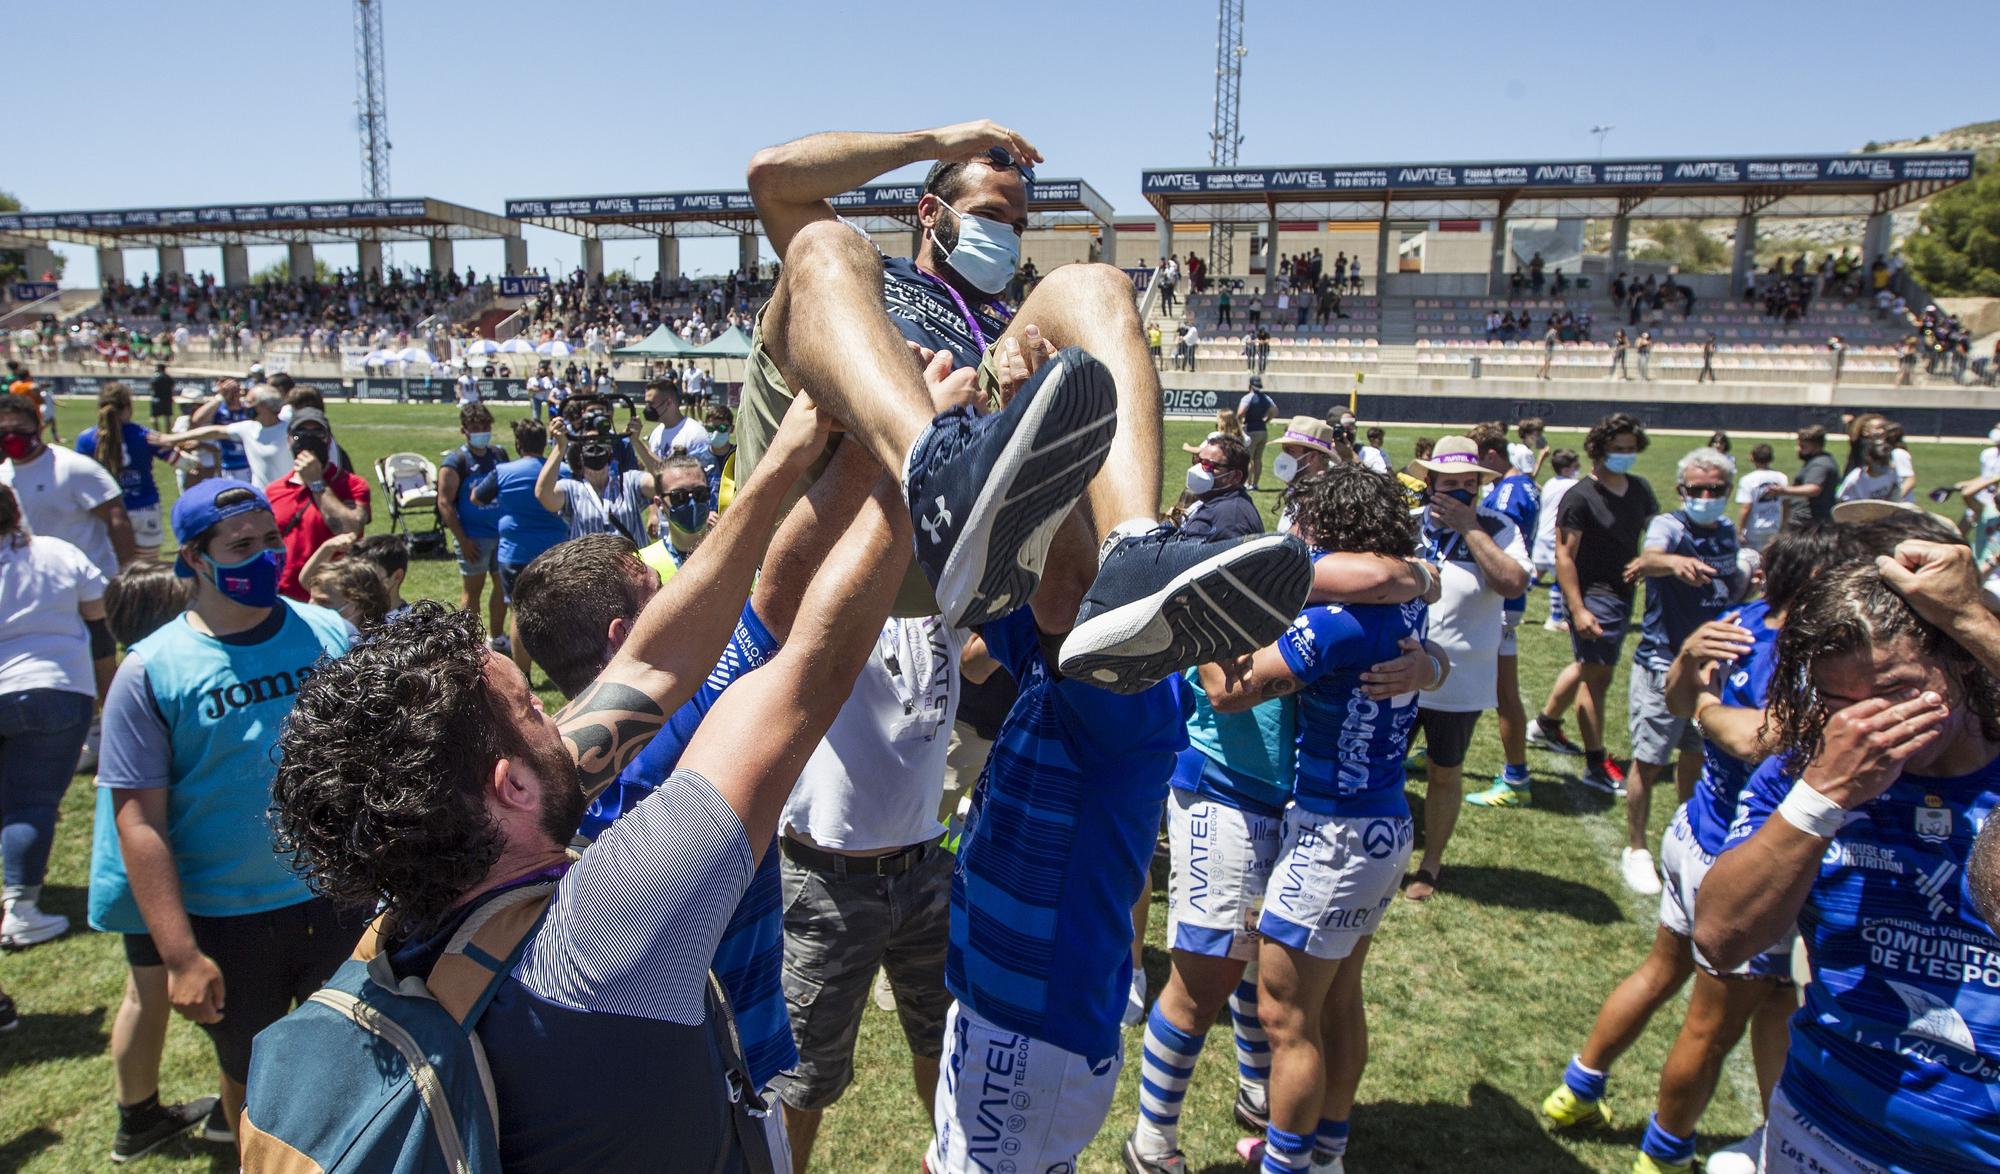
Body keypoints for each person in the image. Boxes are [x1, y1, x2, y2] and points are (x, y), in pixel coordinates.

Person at [255, 394, 932, 1172]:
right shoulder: (598, 938)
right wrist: (910, 467)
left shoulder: (402, 903)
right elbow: (808, 674)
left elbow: (649, 664)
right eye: (531, 711)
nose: (562, 719)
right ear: (510, 788)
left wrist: (782, 463)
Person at [739, 119, 1309, 690]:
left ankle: (1131, 558)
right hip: (815, 496)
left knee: (1095, 284)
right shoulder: (873, 275)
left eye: (1018, 227)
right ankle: (933, 465)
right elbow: (771, 177)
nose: (1008, 237)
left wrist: (1025, 413)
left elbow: (1061, 580)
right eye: (990, 216)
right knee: (824, 242)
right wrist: (934, 145)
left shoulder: (1015, 332)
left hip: (940, 551)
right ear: (931, 212)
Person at [1695, 537, 2000, 1174]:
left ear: (1961, 663)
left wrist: (1973, 618)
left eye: (1898, 691)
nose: (1869, 725)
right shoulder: (1811, 767)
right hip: (1828, 1124)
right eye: (1844, 703)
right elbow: (1722, 938)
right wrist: (1822, 797)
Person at [90, 479, 360, 1138]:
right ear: (195, 559)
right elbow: (139, 822)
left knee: (355, 1058)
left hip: (338, 899)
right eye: (242, 546)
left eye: (271, 541)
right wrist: (180, 956)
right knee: (253, 1076)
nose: (265, 558)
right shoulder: (153, 672)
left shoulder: (331, 634)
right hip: (232, 921)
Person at [1199, 464, 1448, 1174]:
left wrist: (1202, 620)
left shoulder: (1333, 623)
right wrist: (1433, 665)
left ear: (1329, 531)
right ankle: (1327, 1151)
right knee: (1339, 1000)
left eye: (1303, 524)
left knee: (1286, 1018)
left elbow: (1231, 692)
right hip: (1383, 826)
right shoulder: (1403, 605)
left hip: (1332, 835)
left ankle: (1286, 1163)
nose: (1293, 534)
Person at [95, 561, 225, 1161]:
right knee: (206, 990)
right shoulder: (158, 677)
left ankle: (137, 1117)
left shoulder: (129, 675)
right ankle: (232, 1110)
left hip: (121, 878)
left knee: (142, 994)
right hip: (157, 880)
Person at [1618, 447, 1748, 895]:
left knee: (1698, 753)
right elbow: (1648, 558)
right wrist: (1674, 563)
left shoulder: (1729, 530)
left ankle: (1691, 830)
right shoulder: (1670, 526)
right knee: (1649, 760)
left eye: (1716, 489)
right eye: (1697, 489)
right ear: (1681, 490)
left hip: (1714, 668)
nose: (1706, 496)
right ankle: (1636, 847)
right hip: (1663, 662)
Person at [1403, 437, 1528, 898]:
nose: (1458, 493)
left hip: (1461, 680)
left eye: (1468, 486)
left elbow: (1513, 582)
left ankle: (1430, 863)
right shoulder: (1409, 525)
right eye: (1449, 484)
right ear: (1430, 482)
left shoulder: (1499, 527)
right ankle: (1385, 849)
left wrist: (1471, 528)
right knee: (1383, 766)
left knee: (1444, 770)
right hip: (1399, 669)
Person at [0, 483, 112, 948]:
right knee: (31, 803)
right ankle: (21, 908)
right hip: (59, 688)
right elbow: (100, 627)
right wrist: (111, 695)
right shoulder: (59, 553)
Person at [1530, 414, 1658, 794]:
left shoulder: (1640, 489)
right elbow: (1565, 557)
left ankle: (1547, 724)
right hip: (1591, 596)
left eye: (1630, 449)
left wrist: (1654, 557)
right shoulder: (1580, 496)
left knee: (1588, 666)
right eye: (1617, 450)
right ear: (1599, 450)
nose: (1625, 456)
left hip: (1622, 595)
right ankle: (1595, 762)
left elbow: (1658, 531)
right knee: (1597, 677)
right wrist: (1578, 608)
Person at [1463, 423, 1540, 811]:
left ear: (1490, 455)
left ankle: (1516, 775)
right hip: (1501, 606)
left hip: (1500, 607)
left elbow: (1493, 548)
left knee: (1503, 691)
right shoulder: (1524, 484)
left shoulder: (1507, 495)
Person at [472, 417, 569, 679]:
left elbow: (477, 497)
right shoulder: (562, 469)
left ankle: (524, 676)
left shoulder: (503, 471)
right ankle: (564, 672)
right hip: (555, 551)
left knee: (518, 613)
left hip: (514, 552)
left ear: (518, 444)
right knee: (559, 612)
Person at [0, 394, 136, 580]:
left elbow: (117, 519)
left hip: (88, 585)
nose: (11, 436)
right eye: (3, 430)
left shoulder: (73, 467)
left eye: (19, 428)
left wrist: (127, 577)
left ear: (39, 428)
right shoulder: (3, 474)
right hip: (33, 584)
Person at [265, 408, 370, 601]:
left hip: (334, 598)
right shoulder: (274, 490)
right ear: (289, 440)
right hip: (284, 596)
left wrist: (317, 483)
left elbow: (350, 531)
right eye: (301, 435)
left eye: (317, 434)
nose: (309, 441)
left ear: (328, 440)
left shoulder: (352, 485)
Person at [74, 382, 176, 562]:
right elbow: (183, 462)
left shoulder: (86, 439)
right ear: (128, 407)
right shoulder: (145, 435)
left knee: (114, 571)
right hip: (145, 509)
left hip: (106, 512)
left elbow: (77, 478)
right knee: (147, 573)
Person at [436, 402, 511, 643]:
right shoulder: (455, 462)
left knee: (502, 588)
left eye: (486, 425)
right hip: (473, 538)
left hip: (500, 535)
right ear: (464, 430)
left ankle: (498, 636)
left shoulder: (499, 455)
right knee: (473, 590)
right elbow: (445, 503)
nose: (482, 430)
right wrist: (463, 540)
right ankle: (470, 641)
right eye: (475, 426)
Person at [537, 414, 654, 545]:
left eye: (600, 443)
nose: (595, 448)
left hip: (632, 564)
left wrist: (636, 442)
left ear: (610, 451)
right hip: (590, 565)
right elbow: (544, 494)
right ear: (579, 453)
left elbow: (663, 482)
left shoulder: (629, 481)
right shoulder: (571, 489)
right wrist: (560, 448)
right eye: (588, 444)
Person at [154, 384, 293, 489]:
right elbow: (214, 431)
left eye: (249, 402)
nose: (245, 405)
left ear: (262, 406)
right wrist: (170, 439)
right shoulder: (248, 428)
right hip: (262, 499)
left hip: (287, 496)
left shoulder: (291, 430)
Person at [1528, 449, 1582, 634]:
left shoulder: (1551, 483)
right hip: (1555, 537)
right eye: (1576, 466)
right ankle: (1555, 619)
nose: (1579, 469)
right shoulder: (1573, 485)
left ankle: (1508, 602)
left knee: (1536, 575)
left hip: (1542, 536)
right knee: (1561, 579)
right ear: (1566, 469)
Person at [636, 454, 713, 576]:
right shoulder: (643, 565)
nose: (692, 503)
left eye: (700, 493)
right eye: (678, 497)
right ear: (659, 503)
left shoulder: (736, 551)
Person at [1182, 433, 1264, 540]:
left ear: (1235, 476)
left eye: (1208, 465)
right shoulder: (1224, 503)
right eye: (1198, 461)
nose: (1198, 469)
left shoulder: (1231, 520)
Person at [1763, 425, 1839, 528]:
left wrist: (1783, 490)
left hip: (1810, 524)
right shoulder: (1818, 461)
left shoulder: (1820, 464)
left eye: (1803, 446)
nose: (1798, 449)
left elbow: (1814, 489)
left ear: (1816, 446)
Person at [304, 557, 391, 628]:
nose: (311, 606)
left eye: (323, 601)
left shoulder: (378, 647)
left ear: (357, 607)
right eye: (311, 598)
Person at [1735, 444, 1789, 552]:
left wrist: (1739, 531)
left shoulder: (1747, 480)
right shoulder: (1781, 477)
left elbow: (1746, 507)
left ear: (1752, 457)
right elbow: (1786, 504)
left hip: (1754, 528)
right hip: (1774, 526)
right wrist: (1784, 526)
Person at [644, 377, 712, 459]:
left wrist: (637, 443)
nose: (647, 408)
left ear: (668, 403)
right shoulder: (656, 433)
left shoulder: (696, 436)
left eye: (651, 403)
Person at [1241, 375, 1278, 491]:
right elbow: (1275, 410)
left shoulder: (1248, 398)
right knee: (1258, 459)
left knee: (1248, 458)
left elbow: (1240, 412)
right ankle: (1255, 484)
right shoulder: (1266, 398)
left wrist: (1239, 422)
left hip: (1251, 430)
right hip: (1263, 430)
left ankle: (1247, 483)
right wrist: (1266, 420)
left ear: (1250, 385)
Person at [1836, 438, 1899, 503]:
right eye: (1882, 463)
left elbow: (1895, 490)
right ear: (1870, 459)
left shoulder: (1891, 473)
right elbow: (1842, 502)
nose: (1886, 466)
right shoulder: (1855, 480)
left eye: (1887, 462)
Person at [148, 364, 176, 431]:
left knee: (154, 417)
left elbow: (151, 387)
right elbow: (172, 387)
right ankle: (168, 433)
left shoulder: (154, 377)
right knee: (168, 416)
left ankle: (157, 431)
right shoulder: (168, 377)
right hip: (167, 399)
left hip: (156, 399)